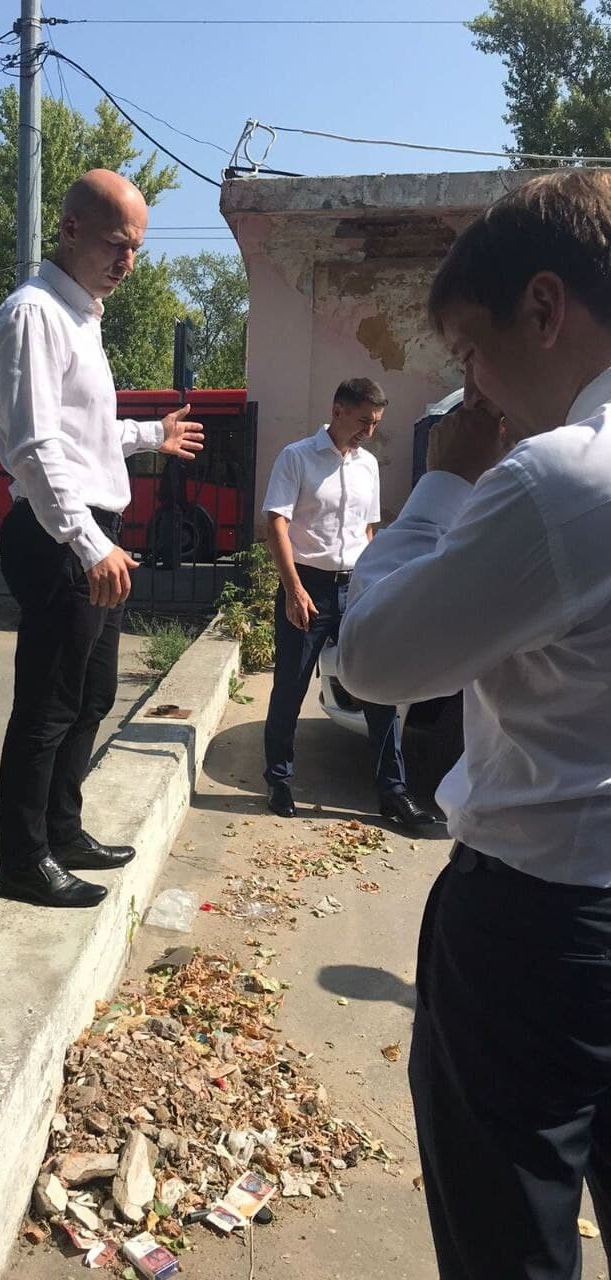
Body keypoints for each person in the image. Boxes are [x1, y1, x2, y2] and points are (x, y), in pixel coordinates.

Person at [337, 170, 611, 1279]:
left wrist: (444, 485)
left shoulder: (564, 478)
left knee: (511, 1240)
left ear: (543, 307)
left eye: (470, 352)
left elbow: (373, 659)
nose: (472, 391)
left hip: (544, 921)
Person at [0, 169, 204, 910]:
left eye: (136, 247)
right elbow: (35, 446)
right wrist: (88, 543)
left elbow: (84, 431)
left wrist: (150, 436)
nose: (127, 261)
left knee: (92, 695)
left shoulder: (80, 315)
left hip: (88, 533)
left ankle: (63, 831)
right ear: (70, 228)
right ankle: (23, 861)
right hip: (59, 536)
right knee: (47, 706)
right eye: (116, 243)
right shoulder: (33, 314)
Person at [260, 377, 434, 827]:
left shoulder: (368, 466)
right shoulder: (296, 457)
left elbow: (368, 532)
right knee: (291, 687)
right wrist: (293, 588)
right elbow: (276, 524)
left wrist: (376, 584)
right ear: (337, 410)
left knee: (378, 685)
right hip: (308, 587)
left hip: (357, 586)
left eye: (375, 423)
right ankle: (279, 780)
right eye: (362, 421)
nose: (368, 432)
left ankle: (393, 793)